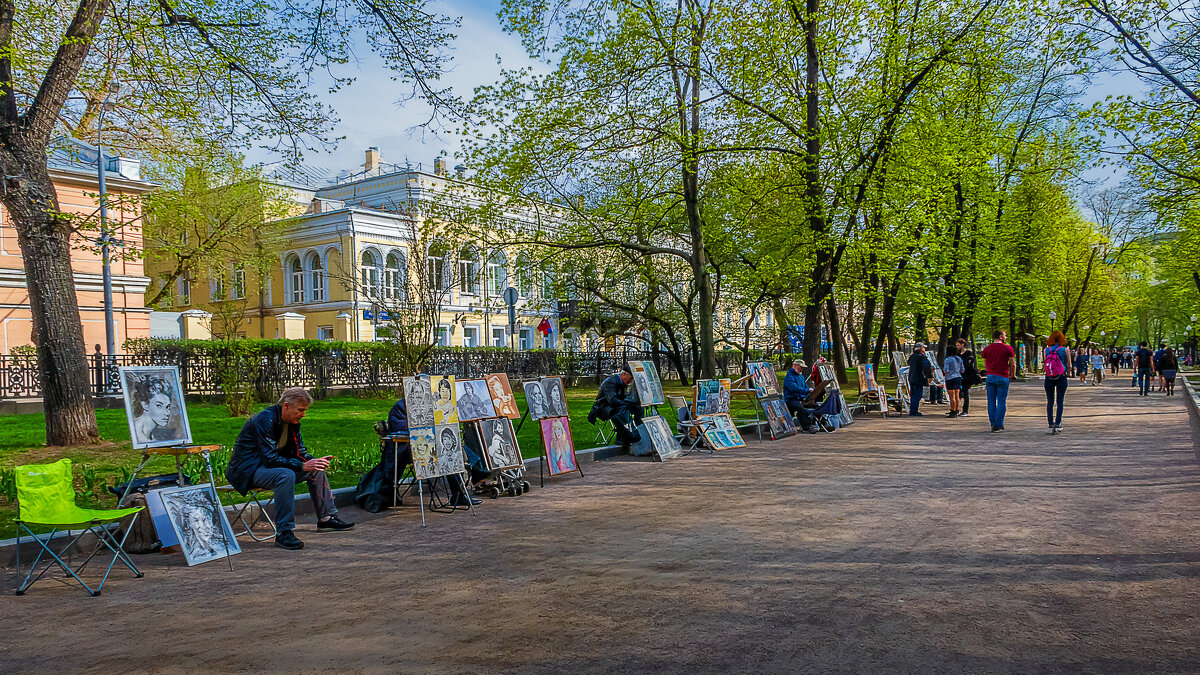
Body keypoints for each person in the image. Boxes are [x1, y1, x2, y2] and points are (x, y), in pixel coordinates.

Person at [226, 387, 354, 551]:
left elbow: (300, 451)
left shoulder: (293, 422)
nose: (303, 415)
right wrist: (302, 465)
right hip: (247, 471)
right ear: (286, 406)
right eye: (300, 410)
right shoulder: (265, 419)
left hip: (269, 467)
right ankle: (284, 533)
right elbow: (269, 458)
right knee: (285, 475)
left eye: (305, 411)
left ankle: (327, 518)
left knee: (316, 469)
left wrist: (312, 461)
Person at [355, 396, 411, 513]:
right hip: (409, 450)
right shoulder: (401, 406)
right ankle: (382, 492)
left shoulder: (440, 404)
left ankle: (458, 494)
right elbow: (402, 431)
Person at [588, 366, 644, 450]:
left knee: (638, 408)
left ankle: (638, 431)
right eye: (631, 378)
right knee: (621, 409)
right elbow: (612, 401)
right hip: (602, 408)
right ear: (624, 374)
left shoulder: (622, 383)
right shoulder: (610, 382)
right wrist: (625, 403)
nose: (631, 381)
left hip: (615, 407)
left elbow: (622, 399)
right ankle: (631, 435)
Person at [982, 330, 1016, 432]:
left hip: (991, 377)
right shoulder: (1008, 348)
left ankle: (993, 423)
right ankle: (999, 424)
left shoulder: (987, 349)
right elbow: (1013, 364)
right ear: (1001, 337)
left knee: (991, 402)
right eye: (1005, 336)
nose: (1006, 337)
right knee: (1001, 401)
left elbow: (985, 364)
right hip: (1003, 377)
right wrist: (1013, 375)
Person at [782, 360, 824, 433]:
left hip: (801, 398)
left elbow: (805, 387)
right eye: (801, 367)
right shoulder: (789, 376)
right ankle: (807, 427)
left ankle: (823, 425)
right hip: (792, 399)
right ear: (795, 366)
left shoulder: (801, 376)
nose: (802, 369)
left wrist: (814, 390)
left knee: (817, 406)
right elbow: (794, 388)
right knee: (801, 408)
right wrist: (807, 390)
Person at [131, 375, 176, 444]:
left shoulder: (152, 434)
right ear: (145, 405)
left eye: (168, 407)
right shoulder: (138, 436)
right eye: (159, 406)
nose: (167, 413)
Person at [1043, 331, 1071, 433]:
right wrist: (1069, 372)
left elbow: (1045, 362)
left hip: (1049, 377)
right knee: (1060, 401)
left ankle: (1050, 423)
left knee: (1050, 401)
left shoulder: (1046, 350)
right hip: (1061, 377)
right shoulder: (1065, 350)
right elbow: (1069, 365)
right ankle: (1058, 423)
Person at [907, 343, 933, 417]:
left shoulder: (912, 357)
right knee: (917, 395)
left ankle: (913, 410)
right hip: (919, 378)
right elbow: (927, 367)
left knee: (913, 394)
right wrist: (929, 376)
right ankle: (914, 411)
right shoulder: (922, 358)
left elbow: (909, 363)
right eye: (923, 348)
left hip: (912, 378)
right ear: (921, 349)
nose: (924, 349)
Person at [957, 338, 980, 418]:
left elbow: (969, 364)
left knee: (965, 393)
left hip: (967, 376)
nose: (957, 347)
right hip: (960, 375)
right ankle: (955, 408)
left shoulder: (968, 353)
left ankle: (965, 410)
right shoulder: (958, 354)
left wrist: (962, 368)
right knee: (959, 393)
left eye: (958, 345)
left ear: (962, 344)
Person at [943, 344, 964, 418]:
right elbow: (962, 370)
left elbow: (946, 370)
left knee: (952, 396)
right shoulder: (959, 359)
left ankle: (952, 411)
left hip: (950, 378)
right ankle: (957, 409)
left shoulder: (947, 360)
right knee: (957, 395)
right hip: (958, 377)